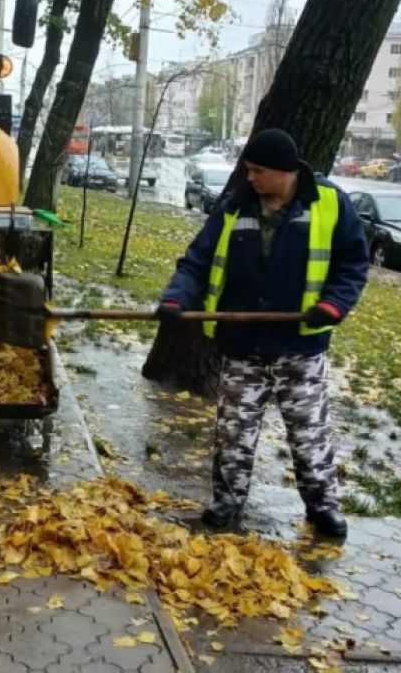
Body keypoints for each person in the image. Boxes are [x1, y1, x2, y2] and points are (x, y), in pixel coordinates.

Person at [157, 129, 369, 538]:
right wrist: (176, 300)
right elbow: (197, 261)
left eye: (257, 170)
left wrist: (333, 305)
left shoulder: (329, 203)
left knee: (309, 433)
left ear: (285, 172)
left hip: (300, 347)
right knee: (234, 431)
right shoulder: (236, 206)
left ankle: (323, 507)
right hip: (242, 345)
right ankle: (228, 502)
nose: (249, 177)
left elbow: (352, 264)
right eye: (248, 169)